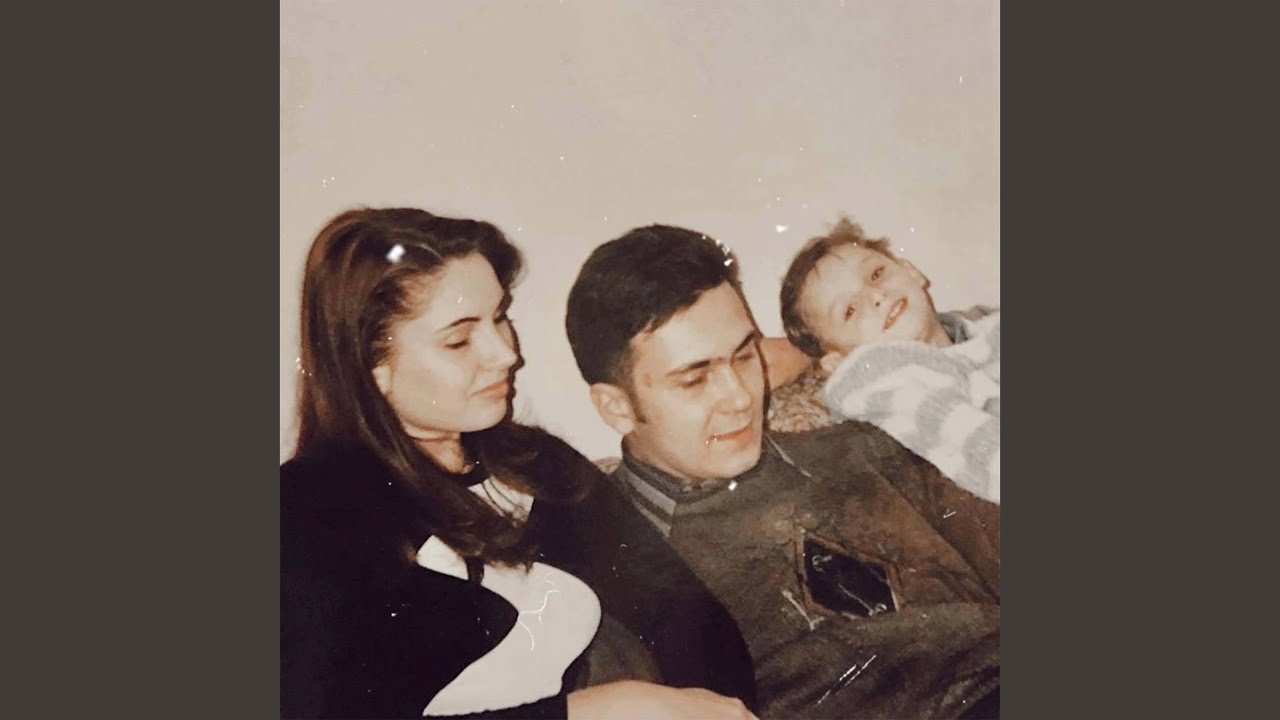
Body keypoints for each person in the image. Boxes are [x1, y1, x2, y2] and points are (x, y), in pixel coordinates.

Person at [281, 208, 758, 719]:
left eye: (499, 317)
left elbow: (692, 623)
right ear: (370, 364)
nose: (506, 354)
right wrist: (586, 713)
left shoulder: (542, 465)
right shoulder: (303, 513)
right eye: (459, 340)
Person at [565, 224, 1000, 719]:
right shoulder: (611, 564)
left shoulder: (866, 446)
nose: (739, 397)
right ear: (616, 407)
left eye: (744, 356)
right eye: (695, 379)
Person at [772, 216, 1000, 503]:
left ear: (911, 271)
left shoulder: (987, 326)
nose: (875, 296)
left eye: (876, 274)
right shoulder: (881, 381)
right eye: (850, 310)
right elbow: (974, 447)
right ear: (838, 361)